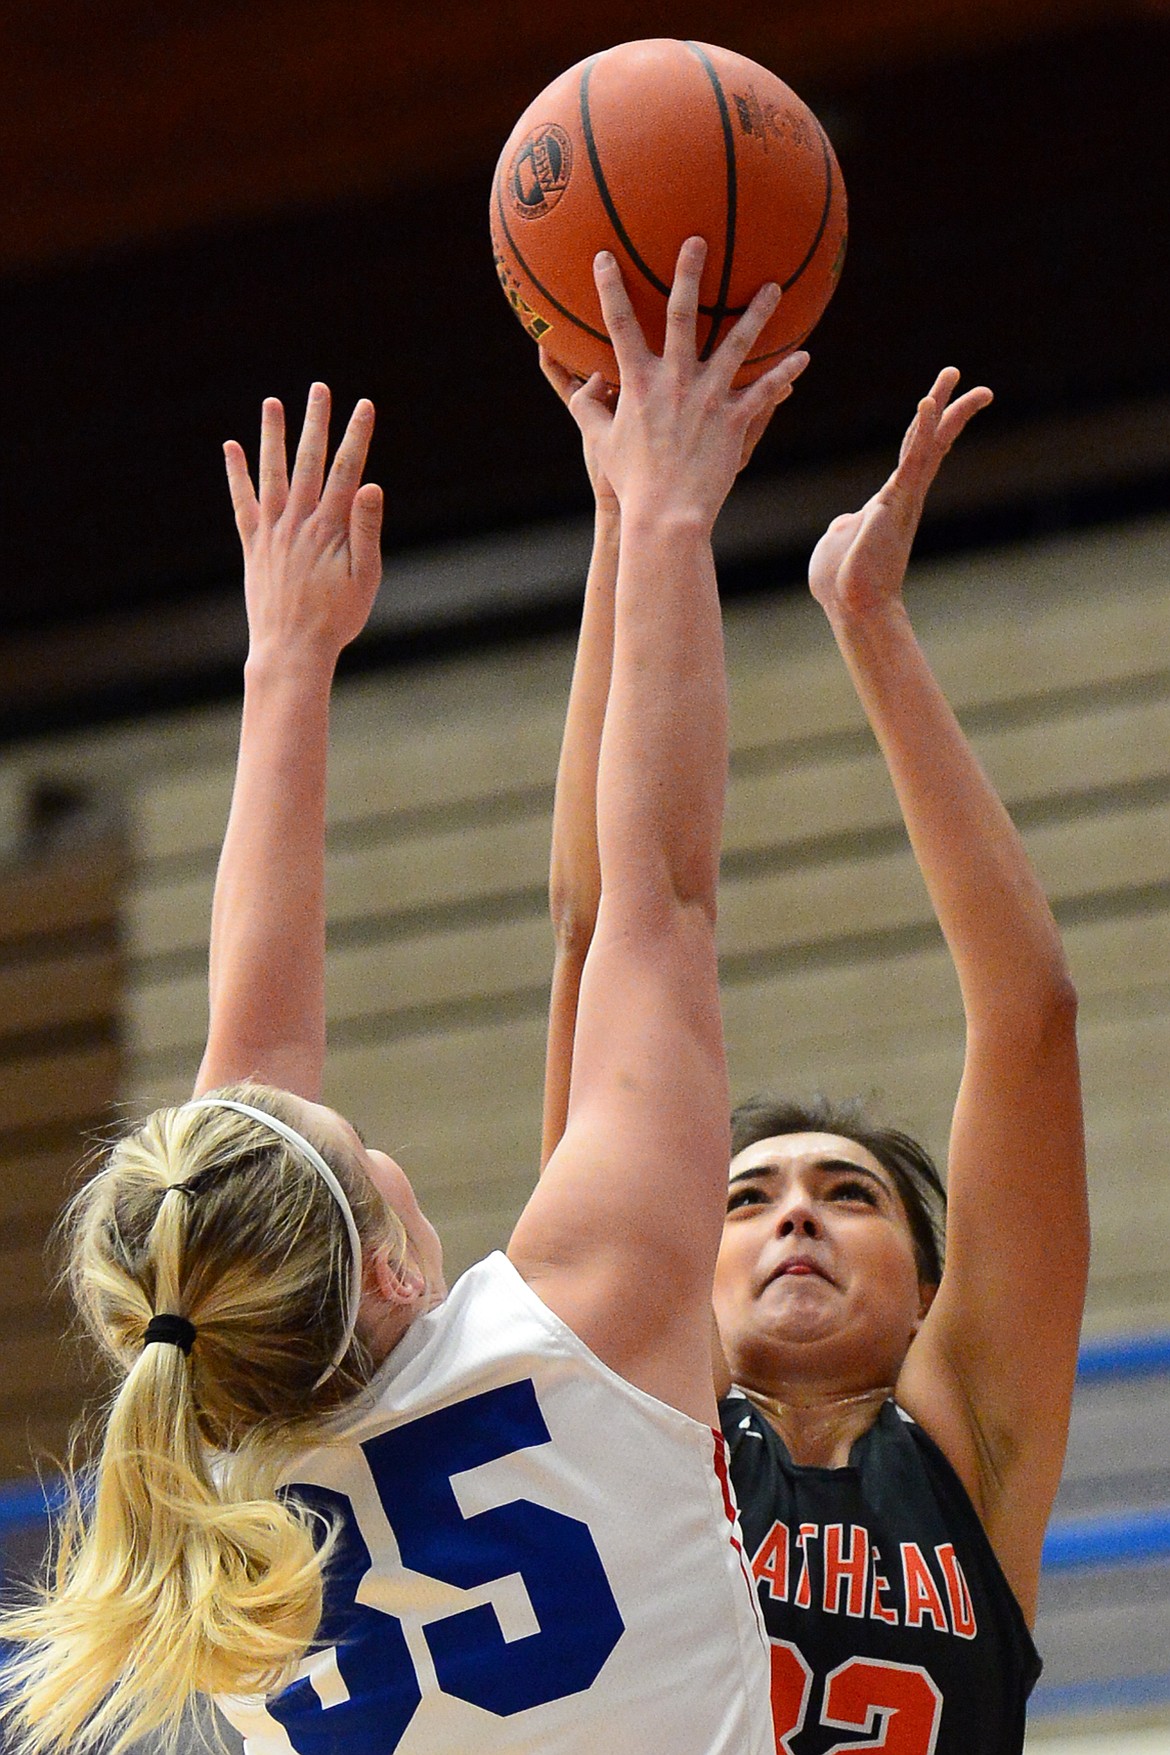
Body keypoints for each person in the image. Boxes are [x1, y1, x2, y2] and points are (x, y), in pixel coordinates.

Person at [0, 242, 806, 1755]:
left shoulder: (221, 1505)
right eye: (360, 1154)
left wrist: (290, 662)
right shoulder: (578, 1327)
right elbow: (654, 898)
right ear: (387, 1272)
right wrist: (666, 507)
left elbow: (655, 908)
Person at [540, 367, 1089, 1754]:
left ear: (928, 1298)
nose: (791, 1210)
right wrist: (629, 518)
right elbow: (601, 924)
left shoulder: (969, 1445)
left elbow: (1027, 1017)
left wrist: (872, 623)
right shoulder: (638, 1417)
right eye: (743, 1198)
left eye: (850, 1194)